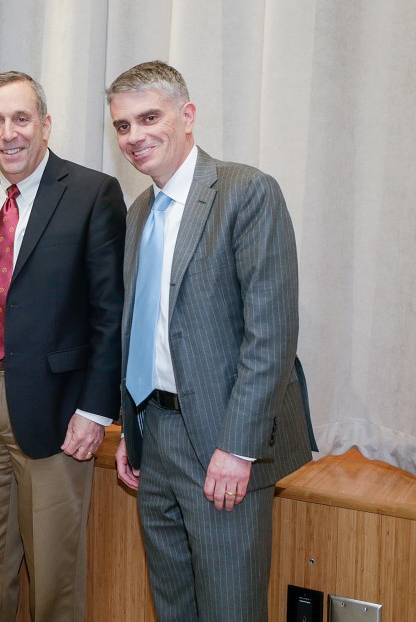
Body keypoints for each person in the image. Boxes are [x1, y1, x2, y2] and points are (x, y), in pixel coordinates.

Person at [108, 61, 317, 621]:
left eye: (149, 117)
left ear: (188, 116)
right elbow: (142, 332)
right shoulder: (138, 214)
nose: (134, 137)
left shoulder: (246, 193)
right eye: (123, 126)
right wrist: (132, 425)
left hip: (222, 444)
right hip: (155, 439)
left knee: (230, 608)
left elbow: (270, 334)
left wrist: (239, 446)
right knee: (172, 606)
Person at [0, 71, 126, 621]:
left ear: (46, 125)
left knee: (54, 577)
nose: (9, 133)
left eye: (21, 118)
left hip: (57, 408)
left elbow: (110, 312)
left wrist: (95, 410)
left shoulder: (93, 192)